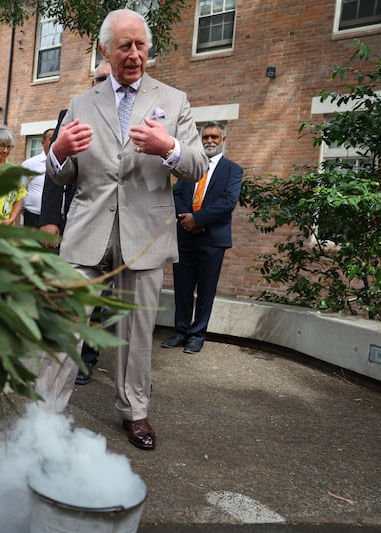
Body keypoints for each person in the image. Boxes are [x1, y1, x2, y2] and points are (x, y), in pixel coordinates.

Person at [37, 8, 208, 451]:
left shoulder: (174, 100)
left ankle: (135, 412)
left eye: (141, 45)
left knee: (136, 332)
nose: (134, 54)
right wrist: (57, 151)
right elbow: (63, 175)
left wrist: (167, 146)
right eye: (125, 46)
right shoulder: (81, 103)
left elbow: (198, 165)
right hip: (87, 232)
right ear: (105, 51)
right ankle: (46, 413)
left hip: (145, 233)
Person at [162, 122, 244, 353]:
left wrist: (198, 220)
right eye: (206, 136)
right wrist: (186, 220)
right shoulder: (189, 168)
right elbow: (176, 195)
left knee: (206, 289)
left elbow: (228, 201)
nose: (209, 140)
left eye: (214, 137)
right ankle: (180, 332)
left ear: (223, 139)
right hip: (185, 236)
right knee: (183, 287)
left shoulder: (233, 170)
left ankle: (197, 335)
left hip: (212, 238)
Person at [39, 61, 112, 241]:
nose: (107, 84)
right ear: (93, 84)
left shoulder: (137, 116)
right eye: (102, 78)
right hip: (79, 213)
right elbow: (55, 166)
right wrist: (50, 219)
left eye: (113, 79)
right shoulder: (71, 116)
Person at [19, 128, 54, 228]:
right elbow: (20, 190)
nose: (54, 141)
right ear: (43, 142)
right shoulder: (29, 164)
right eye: (51, 139)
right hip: (33, 217)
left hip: (56, 219)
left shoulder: (65, 164)